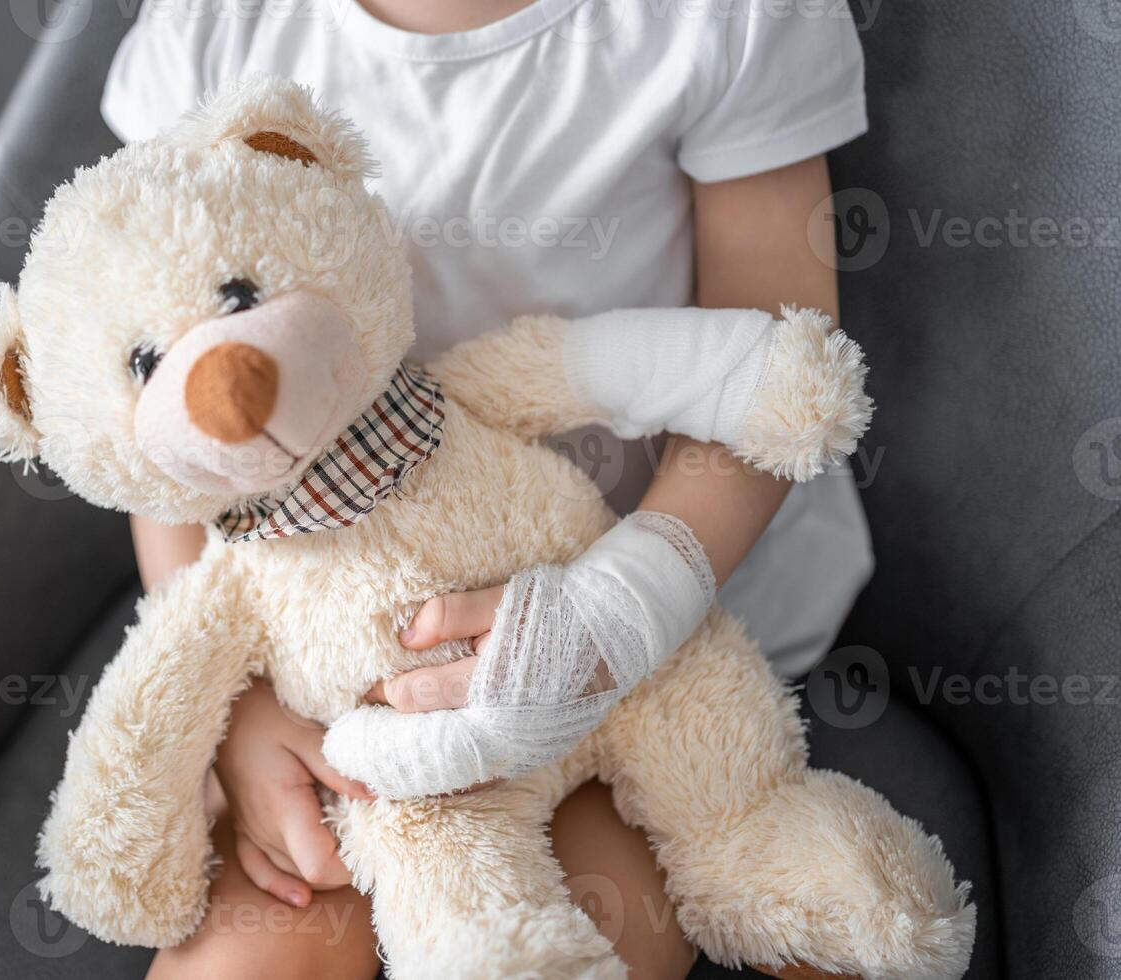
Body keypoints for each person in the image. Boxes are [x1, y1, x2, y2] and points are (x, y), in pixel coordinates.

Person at [104, 1, 873, 976]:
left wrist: (617, 612)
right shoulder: (212, 28)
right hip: (325, 650)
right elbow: (160, 395)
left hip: (651, 632)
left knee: (595, 935)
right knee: (249, 960)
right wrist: (238, 710)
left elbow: (774, 377)